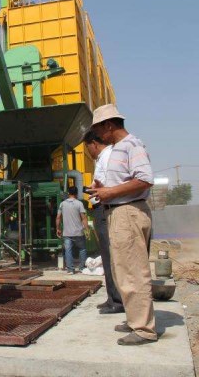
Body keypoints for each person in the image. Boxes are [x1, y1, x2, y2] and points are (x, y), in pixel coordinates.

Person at [87, 103, 157, 346]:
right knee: (122, 271)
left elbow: (145, 179)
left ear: (109, 125)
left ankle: (144, 329)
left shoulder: (131, 145)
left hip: (128, 212)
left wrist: (111, 192)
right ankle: (135, 318)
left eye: (98, 129)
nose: (98, 135)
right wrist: (102, 190)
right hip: (118, 212)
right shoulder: (117, 149)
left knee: (134, 271)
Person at [83, 130, 124, 314]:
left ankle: (117, 300)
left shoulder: (107, 156)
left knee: (111, 256)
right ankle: (112, 298)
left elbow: (109, 184)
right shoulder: (103, 158)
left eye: (87, 147)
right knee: (107, 256)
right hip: (101, 208)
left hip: (104, 208)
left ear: (94, 143)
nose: (88, 152)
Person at [56, 186, 89, 273]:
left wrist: (58, 229)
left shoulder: (62, 204)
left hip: (67, 233)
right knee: (82, 249)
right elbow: (84, 218)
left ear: (68, 193)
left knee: (68, 250)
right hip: (79, 232)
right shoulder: (79, 204)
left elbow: (58, 218)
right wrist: (87, 230)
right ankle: (82, 268)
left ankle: (70, 269)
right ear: (76, 193)